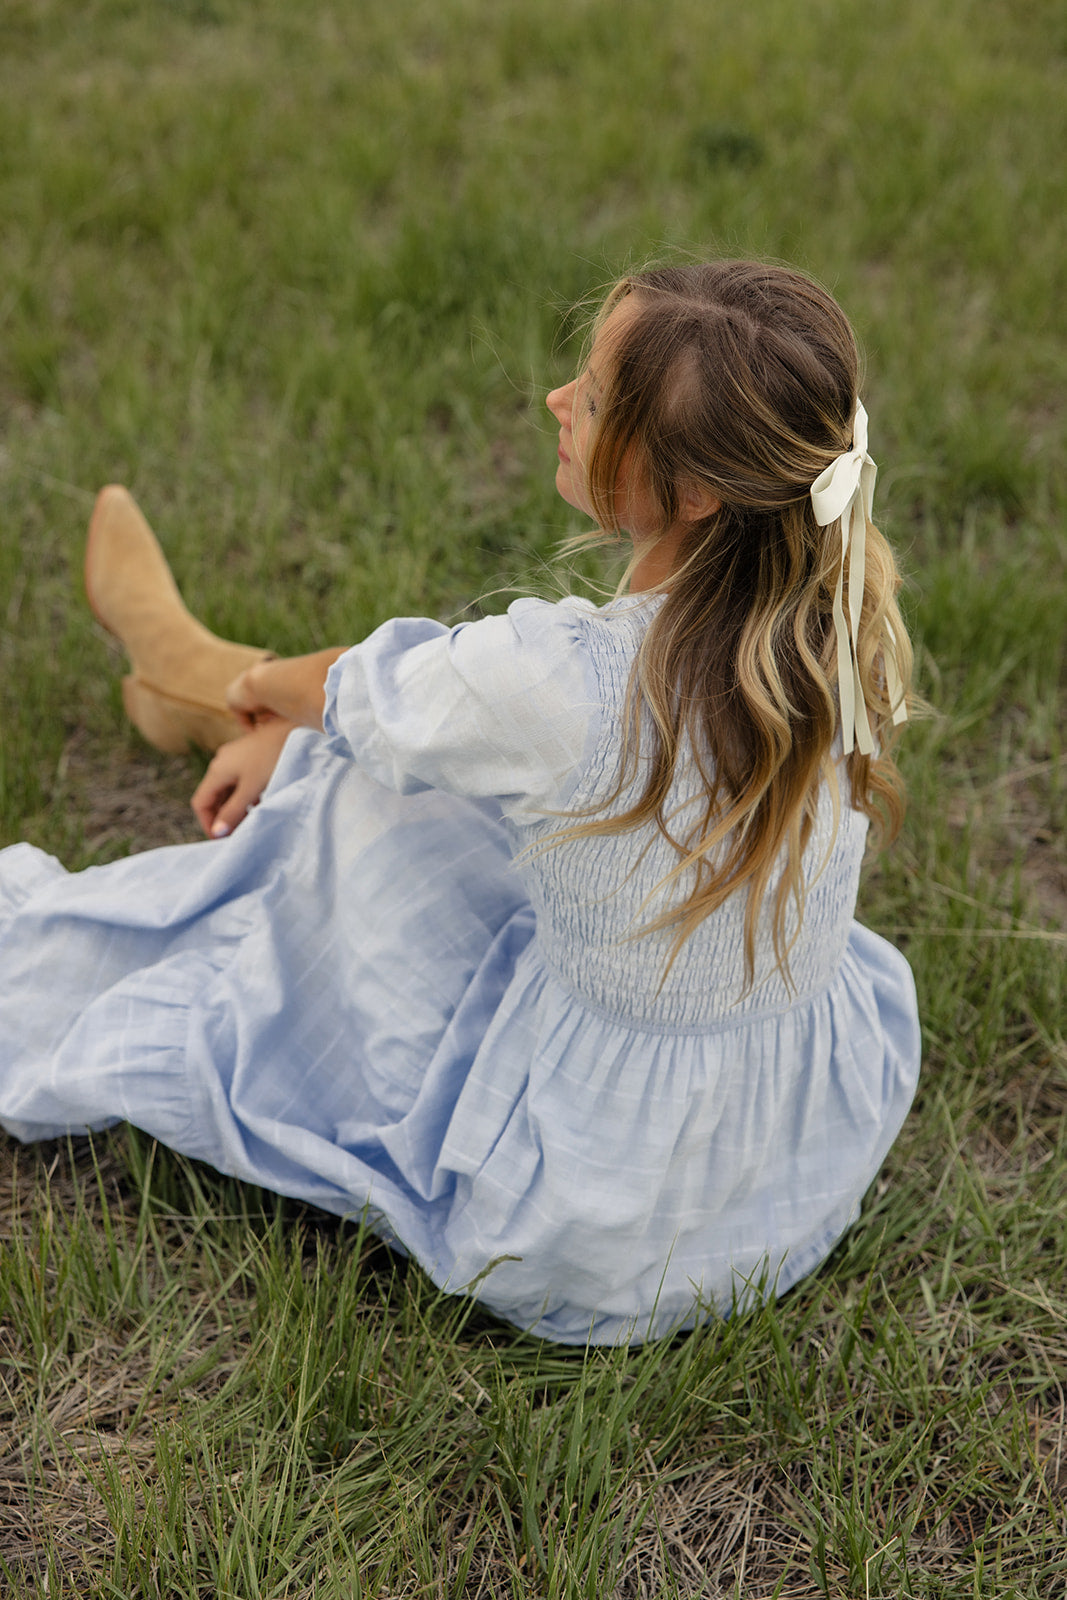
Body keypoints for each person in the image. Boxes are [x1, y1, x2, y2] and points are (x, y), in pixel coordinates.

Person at [0, 261, 921, 1345]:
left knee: (367, 791)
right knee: (449, 766)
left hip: (582, 1220)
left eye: (590, 392)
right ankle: (199, 697)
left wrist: (265, 701)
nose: (556, 402)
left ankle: (191, 676)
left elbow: (365, 693)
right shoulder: (834, 620)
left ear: (693, 493)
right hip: (776, 1169)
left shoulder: (559, 680)